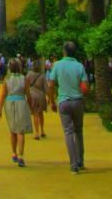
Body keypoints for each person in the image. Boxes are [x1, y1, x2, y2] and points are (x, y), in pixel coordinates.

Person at [49, 41, 89, 174]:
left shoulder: (57, 65)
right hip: (77, 101)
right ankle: (80, 161)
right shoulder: (79, 66)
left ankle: (73, 165)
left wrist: (52, 101)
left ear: (64, 51)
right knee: (79, 131)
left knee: (68, 132)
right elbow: (85, 86)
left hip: (64, 102)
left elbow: (51, 84)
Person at [0, 58, 32, 167]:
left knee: (12, 130)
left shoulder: (7, 78)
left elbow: (3, 95)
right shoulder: (24, 78)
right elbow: (28, 94)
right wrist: (30, 106)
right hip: (21, 102)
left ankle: (14, 153)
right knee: (20, 131)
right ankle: (21, 156)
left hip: (9, 103)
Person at [26, 58, 48, 139]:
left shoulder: (28, 74)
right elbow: (46, 89)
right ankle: (42, 130)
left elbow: (26, 86)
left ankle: (37, 132)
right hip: (41, 96)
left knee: (35, 114)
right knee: (41, 114)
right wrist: (48, 98)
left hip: (32, 96)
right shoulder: (42, 76)